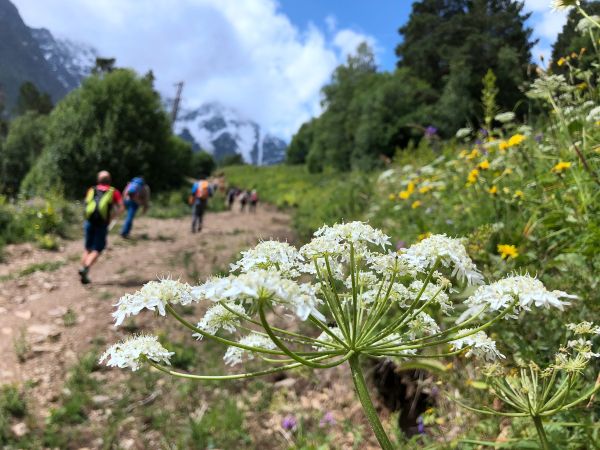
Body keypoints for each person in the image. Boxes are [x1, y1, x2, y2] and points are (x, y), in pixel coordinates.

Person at [79, 170, 124, 284]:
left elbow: (86, 204)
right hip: (102, 224)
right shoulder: (113, 192)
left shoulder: (92, 189)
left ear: (98, 180)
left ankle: (83, 271)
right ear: (109, 180)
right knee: (97, 249)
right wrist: (113, 217)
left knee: (87, 248)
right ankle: (86, 268)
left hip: (89, 221)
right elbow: (121, 207)